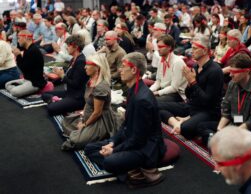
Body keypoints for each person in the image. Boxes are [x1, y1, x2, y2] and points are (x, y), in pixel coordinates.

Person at [85, 52, 166, 188]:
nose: (119, 70)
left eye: (123, 67)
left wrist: (114, 151)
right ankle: (129, 169)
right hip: (132, 139)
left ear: (134, 70)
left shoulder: (142, 99)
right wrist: (113, 143)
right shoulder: (133, 91)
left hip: (147, 148)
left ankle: (132, 169)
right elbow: (125, 126)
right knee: (89, 148)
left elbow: (138, 140)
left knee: (109, 162)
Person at [159, 35, 224, 138]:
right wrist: (189, 84)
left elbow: (207, 101)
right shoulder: (195, 66)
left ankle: (184, 122)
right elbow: (189, 95)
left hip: (207, 111)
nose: (191, 51)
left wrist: (193, 82)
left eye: (195, 48)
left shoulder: (215, 71)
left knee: (186, 129)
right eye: (192, 47)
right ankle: (176, 123)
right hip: (192, 106)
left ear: (204, 50)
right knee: (156, 106)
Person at [61, 53, 117, 150]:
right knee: (66, 122)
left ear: (97, 67)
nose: (85, 67)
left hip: (100, 119)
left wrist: (84, 124)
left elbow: (97, 113)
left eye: (88, 64)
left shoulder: (101, 87)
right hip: (89, 114)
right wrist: (82, 117)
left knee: (75, 141)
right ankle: (85, 132)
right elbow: (88, 103)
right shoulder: (91, 80)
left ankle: (100, 134)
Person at [217, 53, 251, 132]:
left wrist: (232, 134)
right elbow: (226, 109)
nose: (230, 75)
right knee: (205, 130)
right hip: (236, 123)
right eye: (230, 71)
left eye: (234, 72)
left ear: (247, 71)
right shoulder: (232, 84)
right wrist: (219, 129)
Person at [42, 34, 89, 116]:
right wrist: (52, 83)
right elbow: (66, 76)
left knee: (51, 108)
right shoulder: (74, 59)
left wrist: (62, 76)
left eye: (68, 45)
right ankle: (58, 101)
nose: (67, 48)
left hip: (77, 97)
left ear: (76, 46)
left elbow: (76, 84)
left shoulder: (81, 61)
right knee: (44, 94)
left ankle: (58, 102)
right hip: (69, 92)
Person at [5, 30, 47, 97]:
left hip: (35, 83)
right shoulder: (27, 49)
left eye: (19, 38)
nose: (18, 41)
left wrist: (18, 56)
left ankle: (32, 91)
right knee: (7, 84)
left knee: (14, 92)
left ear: (26, 38)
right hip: (27, 79)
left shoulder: (33, 50)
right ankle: (25, 91)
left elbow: (24, 69)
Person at [149, 34, 187, 102]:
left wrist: (157, 93)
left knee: (151, 101)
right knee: (144, 96)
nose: (158, 49)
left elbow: (174, 88)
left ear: (169, 47)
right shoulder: (162, 59)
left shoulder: (177, 62)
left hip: (177, 94)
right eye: (158, 46)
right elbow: (158, 81)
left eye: (160, 47)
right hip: (165, 90)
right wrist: (149, 91)